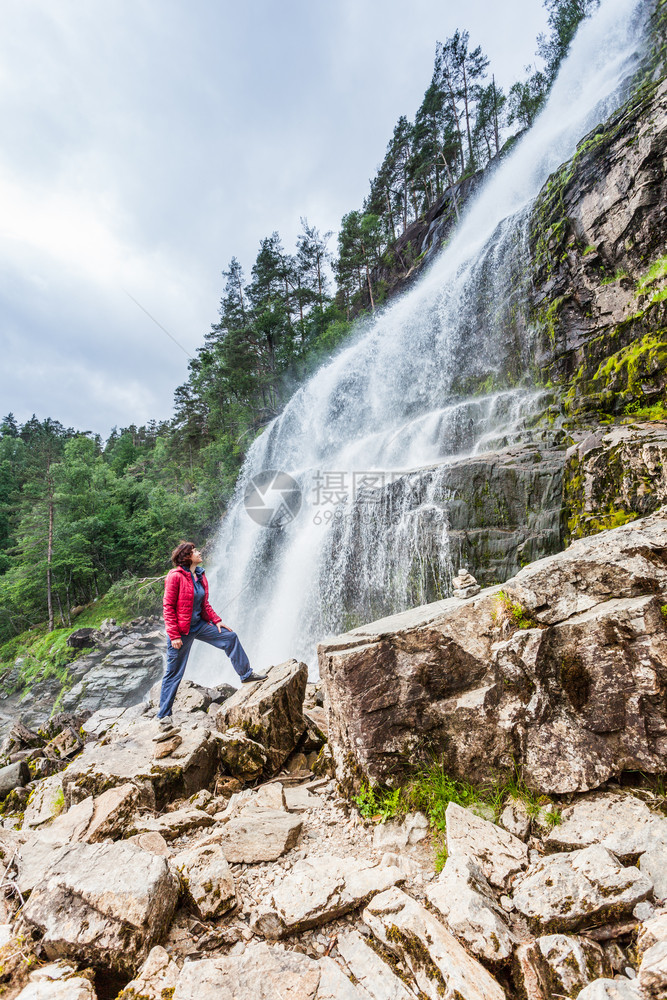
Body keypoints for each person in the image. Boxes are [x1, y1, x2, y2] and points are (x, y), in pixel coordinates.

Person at [157, 541, 265, 732]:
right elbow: (168, 607)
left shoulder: (199, 575)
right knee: (174, 673)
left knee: (230, 637)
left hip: (199, 625)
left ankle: (246, 674)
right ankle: (164, 716)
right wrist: (173, 635)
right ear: (187, 556)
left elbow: (204, 604)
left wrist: (216, 620)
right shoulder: (175, 576)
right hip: (181, 631)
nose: (199, 553)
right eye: (195, 551)